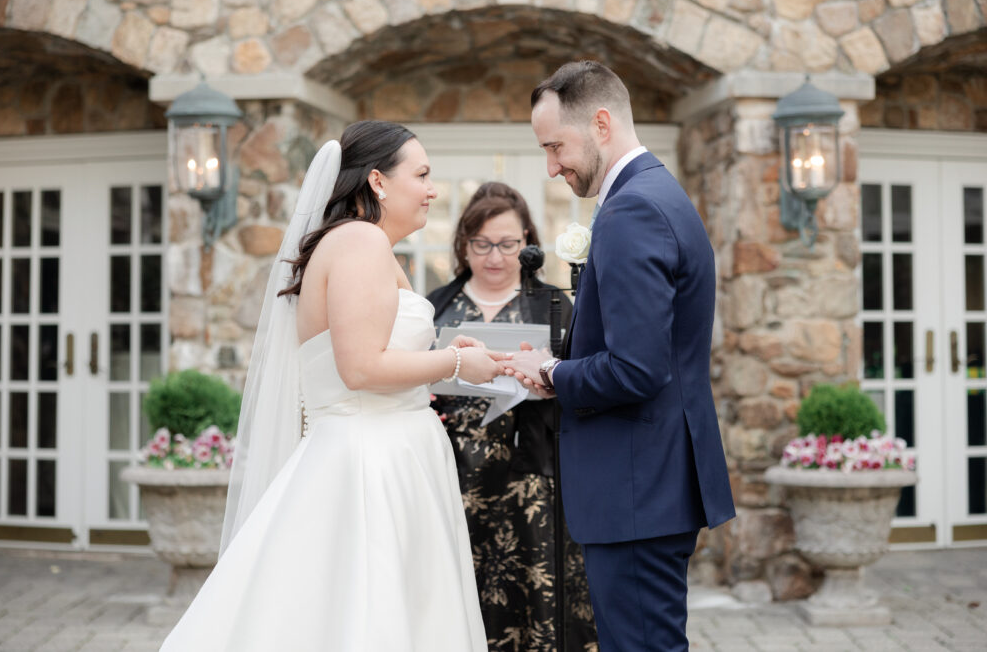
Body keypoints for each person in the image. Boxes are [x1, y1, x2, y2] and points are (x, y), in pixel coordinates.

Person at [161, 121, 501, 651]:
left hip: (386, 450)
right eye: (423, 175)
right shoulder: (360, 242)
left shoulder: (362, 246)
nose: (432, 189)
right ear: (378, 181)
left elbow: (387, 358)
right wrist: (455, 362)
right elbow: (361, 369)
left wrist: (486, 361)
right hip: (370, 461)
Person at [503, 61, 737, 651]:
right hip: (651, 481)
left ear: (601, 123)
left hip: (638, 486)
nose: (551, 166)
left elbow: (637, 367)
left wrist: (552, 371)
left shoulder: (633, 210)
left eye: (555, 146)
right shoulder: (658, 193)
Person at [426, 182, 597, 651]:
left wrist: (550, 377)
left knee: (533, 595)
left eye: (507, 244)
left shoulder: (555, 305)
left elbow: (584, 382)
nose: (495, 257)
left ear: (527, 242)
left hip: (532, 477)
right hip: (453, 473)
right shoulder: (436, 305)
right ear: (463, 244)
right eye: (482, 244)